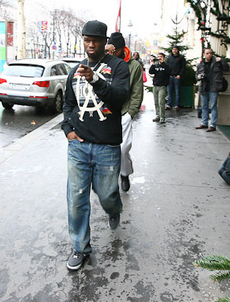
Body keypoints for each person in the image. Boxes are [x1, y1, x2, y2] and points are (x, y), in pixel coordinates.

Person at [62, 20, 130, 271]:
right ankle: (80, 247)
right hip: (78, 146)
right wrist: (67, 130)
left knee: (107, 195)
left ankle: (114, 209)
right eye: (87, 40)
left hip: (107, 146)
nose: (91, 45)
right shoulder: (75, 70)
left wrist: (96, 80)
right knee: (76, 198)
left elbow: (120, 99)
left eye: (96, 41)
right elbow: (68, 104)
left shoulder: (118, 67)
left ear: (105, 42)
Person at [106, 32, 144, 193]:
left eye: (116, 51)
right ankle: (107, 179)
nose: (112, 54)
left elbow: (137, 91)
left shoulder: (134, 66)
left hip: (124, 112)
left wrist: (131, 112)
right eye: (110, 50)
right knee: (105, 148)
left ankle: (124, 173)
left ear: (122, 49)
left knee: (123, 148)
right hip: (105, 112)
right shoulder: (105, 61)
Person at [195, 48, 229, 132]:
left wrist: (222, 60)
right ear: (204, 54)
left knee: (213, 106)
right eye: (207, 53)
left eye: (210, 53)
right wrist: (198, 77)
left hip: (214, 87)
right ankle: (204, 123)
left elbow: (227, 68)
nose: (209, 55)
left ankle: (213, 124)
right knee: (204, 106)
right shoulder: (200, 64)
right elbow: (196, 75)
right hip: (204, 87)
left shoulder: (217, 62)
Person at [149, 52, 170, 123]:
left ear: (164, 58)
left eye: (161, 56)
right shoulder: (156, 65)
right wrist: (153, 64)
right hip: (155, 85)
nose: (159, 58)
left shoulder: (166, 66)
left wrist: (163, 63)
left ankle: (162, 117)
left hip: (162, 85)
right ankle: (158, 115)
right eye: (158, 57)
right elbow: (151, 72)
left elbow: (169, 71)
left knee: (161, 101)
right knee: (156, 102)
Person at [165, 46, 186, 111]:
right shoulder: (169, 57)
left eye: (175, 49)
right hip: (170, 77)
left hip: (177, 77)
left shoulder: (181, 58)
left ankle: (176, 105)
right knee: (169, 92)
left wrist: (180, 75)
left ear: (178, 50)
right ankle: (169, 104)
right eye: (173, 49)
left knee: (177, 92)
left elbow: (183, 67)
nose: (174, 51)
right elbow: (167, 66)